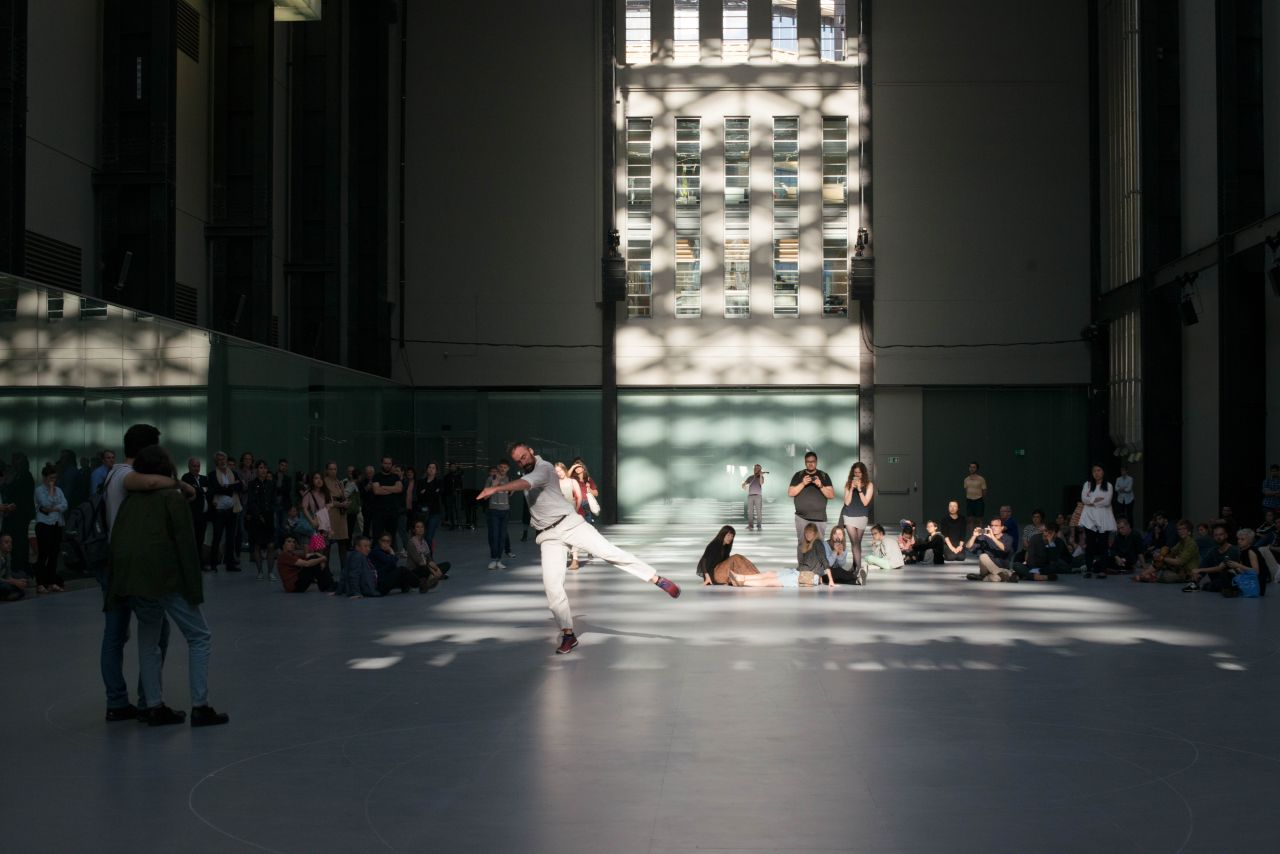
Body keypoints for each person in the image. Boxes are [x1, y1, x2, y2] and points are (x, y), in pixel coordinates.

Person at [476, 441, 681, 654]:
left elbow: (526, 484)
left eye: (524, 456)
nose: (522, 461)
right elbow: (523, 485)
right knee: (552, 585)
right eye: (518, 460)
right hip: (548, 536)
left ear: (531, 452)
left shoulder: (544, 467)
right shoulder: (524, 472)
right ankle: (568, 634)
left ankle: (656, 578)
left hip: (570, 524)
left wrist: (498, 487)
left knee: (609, 552)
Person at [109, 444, 229, 728]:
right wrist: (193, 588)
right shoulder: (171, 498)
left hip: (137, 581)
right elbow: (186, 546)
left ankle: (153, 706)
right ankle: (200, 706)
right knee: (199, 637)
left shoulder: (130, 500)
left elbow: (119, 541)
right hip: (167, 578)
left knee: (148, 640)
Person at [100, 423, 194, 722]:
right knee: (152, 632)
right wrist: (180, 484)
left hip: (118, 562)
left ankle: (123, 700)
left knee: (118, 633)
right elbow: (151, 484)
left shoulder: (114, 474)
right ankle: (146, 699)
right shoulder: (127, 476)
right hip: (133, 565)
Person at [726, 522, 834, 588]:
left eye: (810, 532)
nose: (807, 535)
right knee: (769, 573)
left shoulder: (818, 543)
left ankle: (743, 581)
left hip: (806, 576)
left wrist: (830, 581)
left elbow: (824, 562)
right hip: (798, 572)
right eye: (806, 532)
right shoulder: (809, 546)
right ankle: (741, 577)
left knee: (770, 582)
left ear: (815, 533)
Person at [33, 463, 69, 593]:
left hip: (56, 524)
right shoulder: (39, 490)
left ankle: (52, 581)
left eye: (54, 478)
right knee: (44, 554)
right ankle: (40, 583)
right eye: (50, 478)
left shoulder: (59, 490)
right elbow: (45, 503)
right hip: (44, 524)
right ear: (45, 478)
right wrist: (51, 490)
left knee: (54, 554)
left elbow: (65, 505)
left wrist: (53, 508)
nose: (53, 481)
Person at [207, 451, 243, 572]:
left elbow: (241, 487)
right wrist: (231, 487)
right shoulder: (212, 475)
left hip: (232, 509)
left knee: (231, 538)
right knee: (217, 537)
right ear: (216, 462)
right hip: (219, 510)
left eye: (223, 459)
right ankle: (213, 564)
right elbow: (214, 489)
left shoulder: (233, 473)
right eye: (219, 459)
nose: (222, 461)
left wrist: (227, 487)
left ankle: (230, 564)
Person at [788, 451, 834, 543]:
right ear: (805, 463)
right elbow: (790, 493)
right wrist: (803, 483)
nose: (810, 463)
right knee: (802, 544)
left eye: (813, 461)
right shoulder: (798, 475)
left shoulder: (824, 476)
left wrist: (820, 485)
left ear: (816, 462)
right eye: (808, 461)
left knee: (819, 545)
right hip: (801, 517)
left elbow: (831, 495)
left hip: (820, 518)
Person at [1, 453, 34, 576]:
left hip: (19, 514)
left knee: (20, 541)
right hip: (18, 514)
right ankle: (19, 566)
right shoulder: (20, 475)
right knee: (19, 541)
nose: (13, 462)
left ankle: (20, 566)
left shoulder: (24, 476)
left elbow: (20, 496)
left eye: (15, 460)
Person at [1136, 519, 1198, 584]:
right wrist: (1160, 554)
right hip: (1179, 569)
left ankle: (1150, 575)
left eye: (1183, 529)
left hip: (1188, 573)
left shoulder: (1191, 544)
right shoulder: (1181, 542)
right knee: (1164, 552)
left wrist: (1163, 558)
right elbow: (1171, 551)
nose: (1181, 531)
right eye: (1179, 529)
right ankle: (1145, 574)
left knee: (1164, 576)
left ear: (1189, 531)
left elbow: (1179, 562)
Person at [1184, 523, 1240, 593]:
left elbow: (1220, 568)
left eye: (1221, 534)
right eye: (1216, 535)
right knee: (1205, 563)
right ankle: (1195, 583)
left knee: (1212, 583)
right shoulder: (1213, 550)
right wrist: (1197, 574)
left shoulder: (1233, 550)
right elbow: (1204, 564)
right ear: (1213, 537)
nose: (1218, 537)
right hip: (1216, 581)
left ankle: (1210, 586)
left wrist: (1200, 570)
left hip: (1230, 581)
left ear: (1226, 535)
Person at [244, 460, 276, 580]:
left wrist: (272, 510)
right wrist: (258, 514)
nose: (263, 470)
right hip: (257, 518)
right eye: (261, 468)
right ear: (256, 469)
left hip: (269, 517)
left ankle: (271, 572)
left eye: (265, 468)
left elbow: (274, 500)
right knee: (257, 545)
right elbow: (251, 501)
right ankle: (260, 571)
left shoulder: (271, 483)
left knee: (271, 545)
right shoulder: (252, 484)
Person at [1079, 464, 1117, 567]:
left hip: (1103, 518)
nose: (1096, 473)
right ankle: (1089, 568)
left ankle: (1102, 569)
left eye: (1099, 470)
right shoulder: (1087, 484)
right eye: (1094, 471)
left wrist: (1091, 501)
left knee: (1103, 544)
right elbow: (1084, 499)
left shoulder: (1108, 485)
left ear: (1103, 472)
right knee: (1090, 544)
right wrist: (1095, 499)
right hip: (1089, 518)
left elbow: (1107, 501)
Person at [840, 461, 873, 570]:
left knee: (857, 543)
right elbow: (847, 502)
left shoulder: (869, 484)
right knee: (854, 542)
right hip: (849, 515)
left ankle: (855, 567)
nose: (857, 474)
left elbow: (865, 502)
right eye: (855, 472)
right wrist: (852, 488)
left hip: (862, 516)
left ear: (863, 473)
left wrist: (859, 489)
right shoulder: (848, 484)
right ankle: (858, 569)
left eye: (859, 472)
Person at [1217, 528, 1267, 597]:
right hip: (1251, 581)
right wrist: (1235, 567)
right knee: (1226, 571)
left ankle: (1230, 590)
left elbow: (1256, 572)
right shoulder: (1243, 551)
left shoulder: (1251, 551)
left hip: (1256, 585)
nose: (1239, 541)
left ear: (1250, 541)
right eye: (1238, 539)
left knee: (1224, 577)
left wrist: (1238, 565)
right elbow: (1245, 570)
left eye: (1242, 539)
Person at [181, 458, 211, 570]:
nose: (196, 468)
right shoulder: (186, 477)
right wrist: (203, 489)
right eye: (194, 466)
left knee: (200, 540)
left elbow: (210, 490)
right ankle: (190, 564)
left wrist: (199, 490)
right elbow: (190, 491)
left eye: (198, 466)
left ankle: (200, 563)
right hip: (193, 514)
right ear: (189, 466)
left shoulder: (203, 478)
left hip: (204, 515)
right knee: (191, 540)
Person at [366, 456, 403, 544]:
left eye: (389, 463)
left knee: (391, 537)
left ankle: (390, 556)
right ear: (382, 464)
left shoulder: (395, 477)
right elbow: (377, 491)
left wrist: (384, 487)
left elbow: (399, 489)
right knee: (377, 537)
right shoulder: (376, 476)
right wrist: (392, 489)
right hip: (379, 512)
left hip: (392, 512)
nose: (387, 465)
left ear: (391, 465)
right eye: (385, 463)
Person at [965, 518, 1014, 582]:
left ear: (1002, 527)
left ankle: (983, 577)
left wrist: (992, 537)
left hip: (1002, 567)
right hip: (986, 569)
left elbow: (1005, 548)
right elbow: (968, 546)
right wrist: (974, 536)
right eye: (992, 525)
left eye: (996, 526)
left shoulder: (1008, 538)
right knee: (983, 556)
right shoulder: (984, 537)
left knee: (995, 579)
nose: (993, 527)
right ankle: (1003, 574)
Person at [555, 462, 584, 570]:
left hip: (571, 511)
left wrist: (575, 510)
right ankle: (563, 558)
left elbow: (579, 497)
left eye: (560, 470)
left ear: (564, 469)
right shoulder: (555, 483)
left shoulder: (572, 481)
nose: (559, 473)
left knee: (574, 535)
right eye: (557, 471)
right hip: (559, 512)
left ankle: (575, 559)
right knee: (561, 536)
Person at [322, 461, 351, 564]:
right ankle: (325, 571)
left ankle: (344, 570)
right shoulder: (324, 482)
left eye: (335, 469)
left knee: (342, 543)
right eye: (331, 469)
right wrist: (340, 504)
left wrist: (346, 502)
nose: (333, 471)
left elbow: (343, 496)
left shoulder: (339, 482)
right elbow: (326, 500)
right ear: (327, 470)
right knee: (327, 544)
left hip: (341, 515)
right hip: (330, 515)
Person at [415, 462, 446, 556]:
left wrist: (426, 492)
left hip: (434, 512)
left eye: (433, 468)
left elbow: (437, 494)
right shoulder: (421, 482)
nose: (431, 469)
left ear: (436, 470)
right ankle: (423, 557)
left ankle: (429, 558)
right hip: (423, 512)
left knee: (429, 537)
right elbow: (419, 495)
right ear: (427, 469)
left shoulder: (439, 482)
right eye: (429, 467)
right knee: (422, 536)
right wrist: (431, 492)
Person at [406, 519, 449, 584]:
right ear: (414, 530)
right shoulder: (411, 543)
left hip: (426, 566)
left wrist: (437, 569)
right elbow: (420, 562)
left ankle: (431, 576)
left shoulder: (424, 542)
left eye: (422, 527)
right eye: (418, 527)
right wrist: (434, 571)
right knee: (424, 569)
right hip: (416, 569)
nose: (420, 529)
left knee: (447, 564)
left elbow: (429, 558)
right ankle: (433, 576)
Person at [485, 463, 511, 570]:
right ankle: (493, 559)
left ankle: (499, 560)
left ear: (508, 469)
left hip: (505, 511)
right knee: (494, 535)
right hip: (494, 511)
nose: (503, 469)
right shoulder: (491, 479)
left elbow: (509, 493)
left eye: (505, 467)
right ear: (498, 468)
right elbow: (485, 496)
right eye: (501, 467)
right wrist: (494, 485)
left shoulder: (508, 479)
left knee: (502, 536)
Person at [0, 533, 27, 601]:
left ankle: (9, 594)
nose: (9, 544)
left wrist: (17, 581)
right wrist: (14, 582)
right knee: (7, 587)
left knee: (22, 576)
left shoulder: (8, 554)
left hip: (3, 578)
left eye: (11, 542)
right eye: (6, 542)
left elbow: (8, 575)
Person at [962, 462, 987, 527]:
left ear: (977, 469)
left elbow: (984, 490)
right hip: (969, 501)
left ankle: (981, 536)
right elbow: (966, 490)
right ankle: (972, 536)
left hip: (979, 500)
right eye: (970, 467)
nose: (972, 469)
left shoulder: (981, 479)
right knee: (970, 519)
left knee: (979, 519)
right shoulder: (966, 479)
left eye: (974, 467)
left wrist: (981, 499)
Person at [742, 464, 765, 530]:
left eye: (757, 468)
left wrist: (761, 475)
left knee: (758, 511)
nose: (755, 469)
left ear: (760, 469)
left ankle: (759, 525)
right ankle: (750, 525)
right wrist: (744, 484)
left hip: (758, 496)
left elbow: (761, 483)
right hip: (750, 496)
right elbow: (745, 484)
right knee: (750, 512)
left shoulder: (761, 477)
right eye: (755, 468)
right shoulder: (750, 477)